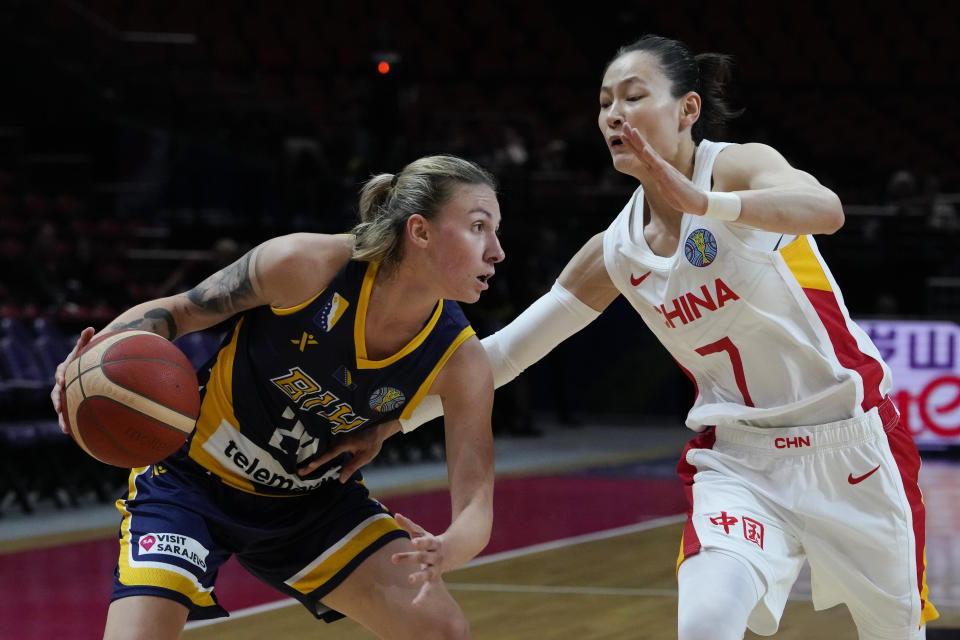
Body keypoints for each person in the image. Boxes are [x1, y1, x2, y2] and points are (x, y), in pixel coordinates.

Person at [394, 35, 937, 640]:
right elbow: (502, 356)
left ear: (688, 110)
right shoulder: (614, 248)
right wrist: (387, 423)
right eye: (604, 102)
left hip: (852, 445)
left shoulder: (735, 166)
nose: (614, 114)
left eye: (633, 95)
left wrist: (705, 201)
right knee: (705, 623)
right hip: (740, 460)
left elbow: (826, 208)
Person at [51, 154, 504, 640]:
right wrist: (88, 365)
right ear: (420, 231)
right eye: (479, 227)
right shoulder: (306, 265)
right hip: (191, 485)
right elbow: (180, 311)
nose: (497, 251)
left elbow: (476, 498)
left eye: (496, 231)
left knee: (441, 630)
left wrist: (448, 548)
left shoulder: (461, 360)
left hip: (310, 508)